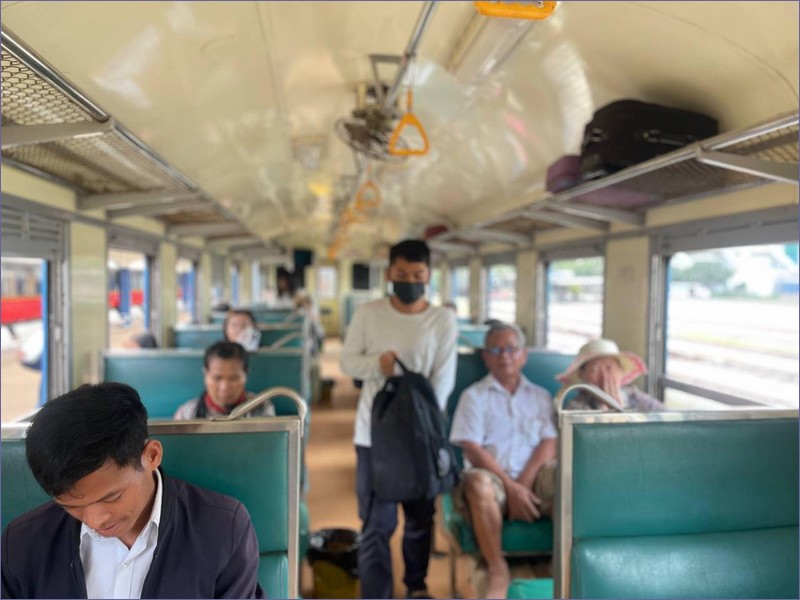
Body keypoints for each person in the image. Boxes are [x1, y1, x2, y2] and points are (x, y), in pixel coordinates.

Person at [0, 382, 265, 599]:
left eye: (112, 497)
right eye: (71, 506)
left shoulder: (222, 528)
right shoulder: (23, 544)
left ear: (151, 455)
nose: (96, 521)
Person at [340, 239, 458, 599]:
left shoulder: (442, 320)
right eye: (402, 274)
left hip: (421, 435)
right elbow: (347, 363)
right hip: (373, 436)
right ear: (390, 273)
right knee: (377, 524)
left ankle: (416, 587)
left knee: (420, 520)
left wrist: (415, 419)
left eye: (418, 274)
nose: (410, 280)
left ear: (429, 275)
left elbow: (443, 381)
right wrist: (378, 364)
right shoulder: (368, 314)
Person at [449, 322, 557, 599]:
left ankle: (561, 562)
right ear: (485, 356)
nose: (504, 356)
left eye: (511, 349)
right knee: (479, 485)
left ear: (524, 355)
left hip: (534, 478)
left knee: (565, 476)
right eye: (495, 350)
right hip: (494, 478)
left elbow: (549, 442)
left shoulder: (541, 397)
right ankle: (498, 569)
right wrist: (510, 487)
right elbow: (472, 448)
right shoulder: (473, 396)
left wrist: (522, 484)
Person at [173, 341, 275, 420]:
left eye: (233, 378)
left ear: (246, 374)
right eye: (217, 378)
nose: (224, 387)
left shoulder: (261, 408)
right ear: (205, 374)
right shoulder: (186, 415)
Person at [557, 338, 664, 410]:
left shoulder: (635, 396)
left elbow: (667, 419)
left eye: (609, 368)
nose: (604, 377)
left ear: (621, 372)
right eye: (595, 370)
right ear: (582, 375)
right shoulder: (576, 406)